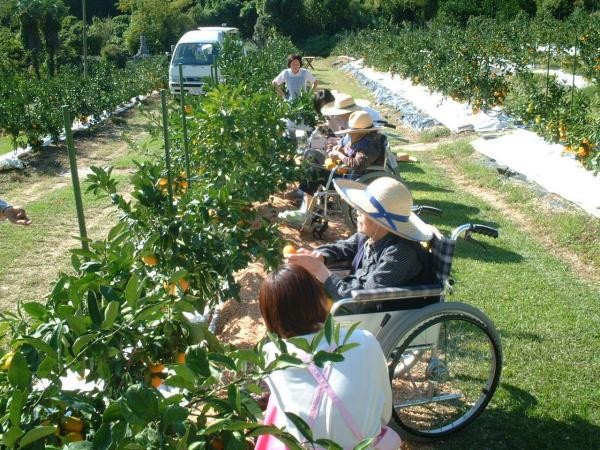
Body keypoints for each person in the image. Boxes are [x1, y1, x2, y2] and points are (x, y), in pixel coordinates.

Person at [257, 264, 398, 449]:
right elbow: (384, 413)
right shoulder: (364, 340)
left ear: (270, 318)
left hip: (307, 446)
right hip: (362, 445)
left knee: (274, 411)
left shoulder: (271, 354)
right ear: (320, 300)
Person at [286, 176, 434, 301]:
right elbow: (342, 247)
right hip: (352, 294)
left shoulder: (400, 254)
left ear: (379, 222)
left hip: (376, 313)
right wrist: (319, 256)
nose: (356, 212)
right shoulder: (370, 236)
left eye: (363, 211)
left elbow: (363, 300)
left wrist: (321, 271)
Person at [279, 110, 388, 227]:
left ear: (361, 132)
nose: (350, 134)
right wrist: (340, 148)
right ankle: (305, 209)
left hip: (355, 182)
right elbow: (349, 149)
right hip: (349, 176)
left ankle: (305, 213)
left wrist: (339, 155)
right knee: (313, 167)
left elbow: (358, 164)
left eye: (352, 132)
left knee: (314, 172)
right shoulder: (362, 138)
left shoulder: (371, 144)